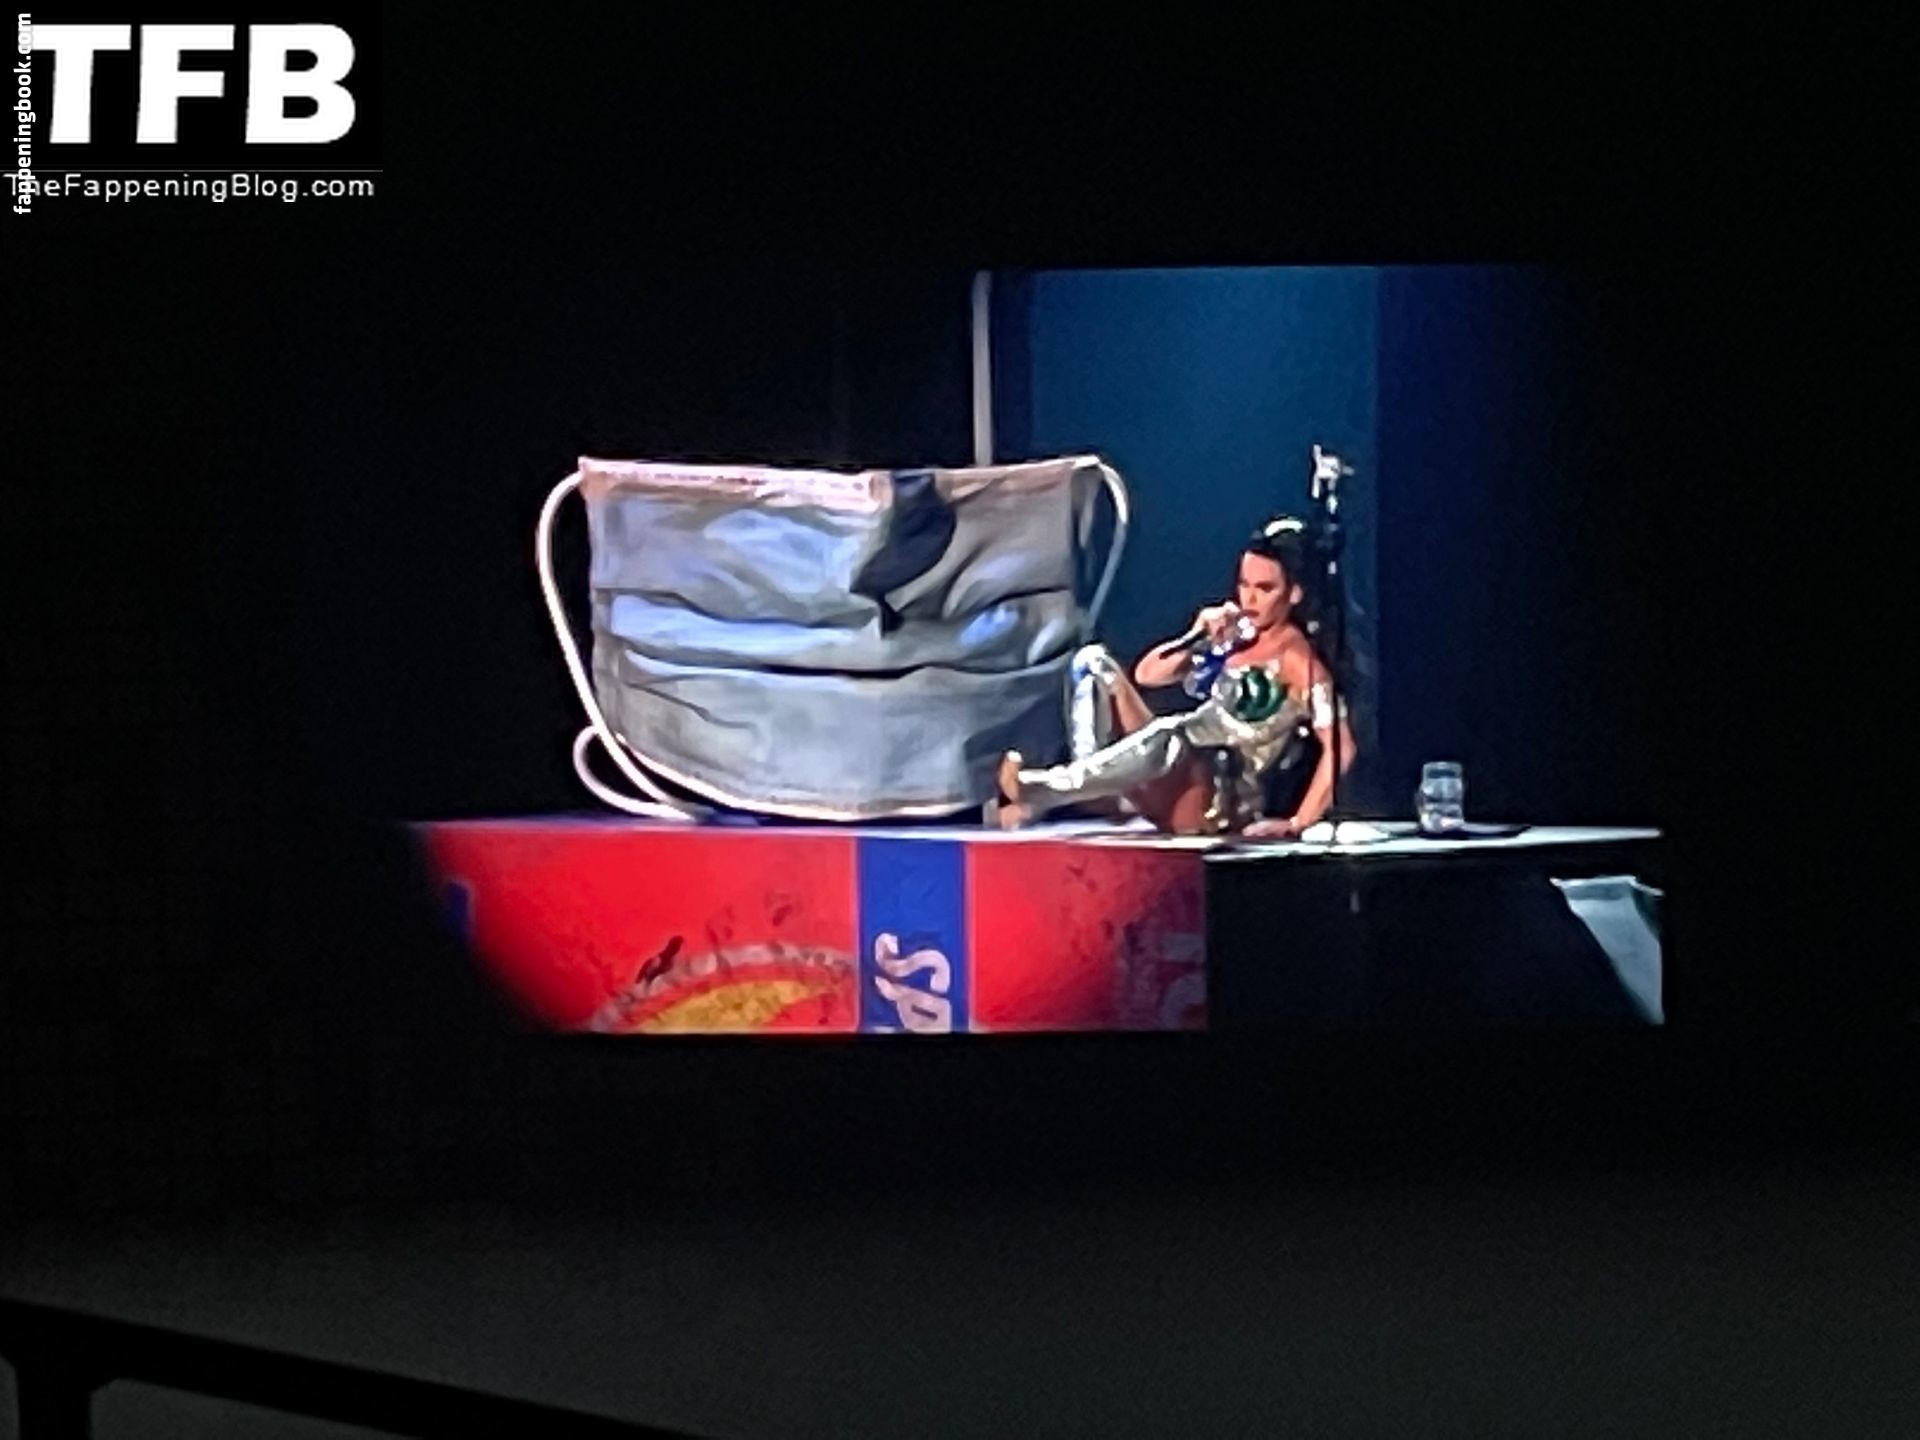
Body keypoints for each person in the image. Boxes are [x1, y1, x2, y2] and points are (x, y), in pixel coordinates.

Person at [987, 516, 1357, 837]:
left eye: (1264, 589)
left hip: (1214, 797)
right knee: (1093, 662)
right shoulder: (1236, 635)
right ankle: (1095, 791)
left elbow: (1342, 748)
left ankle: (1042, 788)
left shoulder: (1299, 661)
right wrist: (1196, 636)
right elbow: (1148, 675)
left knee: (1172, 734)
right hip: (1170, 766)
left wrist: (1297, 822)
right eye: (1244, 584)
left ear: (1294, 593)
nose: (1250, 599)